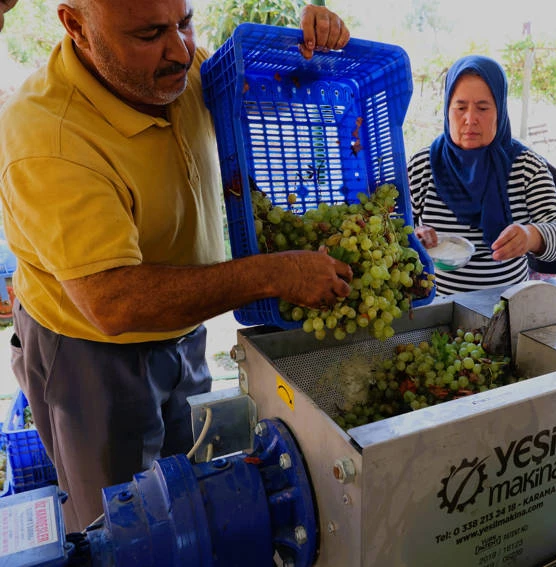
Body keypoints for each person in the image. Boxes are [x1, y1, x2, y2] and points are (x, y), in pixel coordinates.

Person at [0, 0, 351, 532]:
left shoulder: (179, 70)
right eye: (149, 34)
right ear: (77, 27)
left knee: (185, 496)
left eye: (185, 22)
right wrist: (276, 273)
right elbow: (113, 303)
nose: (180, 50)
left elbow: (270, 99)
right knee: (122, 527)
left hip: (181, 326)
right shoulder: (47, 136)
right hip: (90, 356)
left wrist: (310, 49)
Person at [408, 55, 556, 296]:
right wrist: (414, 236)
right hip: (436, 308)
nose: (470, 119)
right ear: (447, 109)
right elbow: (393, 228)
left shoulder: (526, 166)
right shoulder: (423, 165)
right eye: (460, 107)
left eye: (483, 108)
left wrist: (531, 236)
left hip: (506, 310)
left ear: (500, 110)